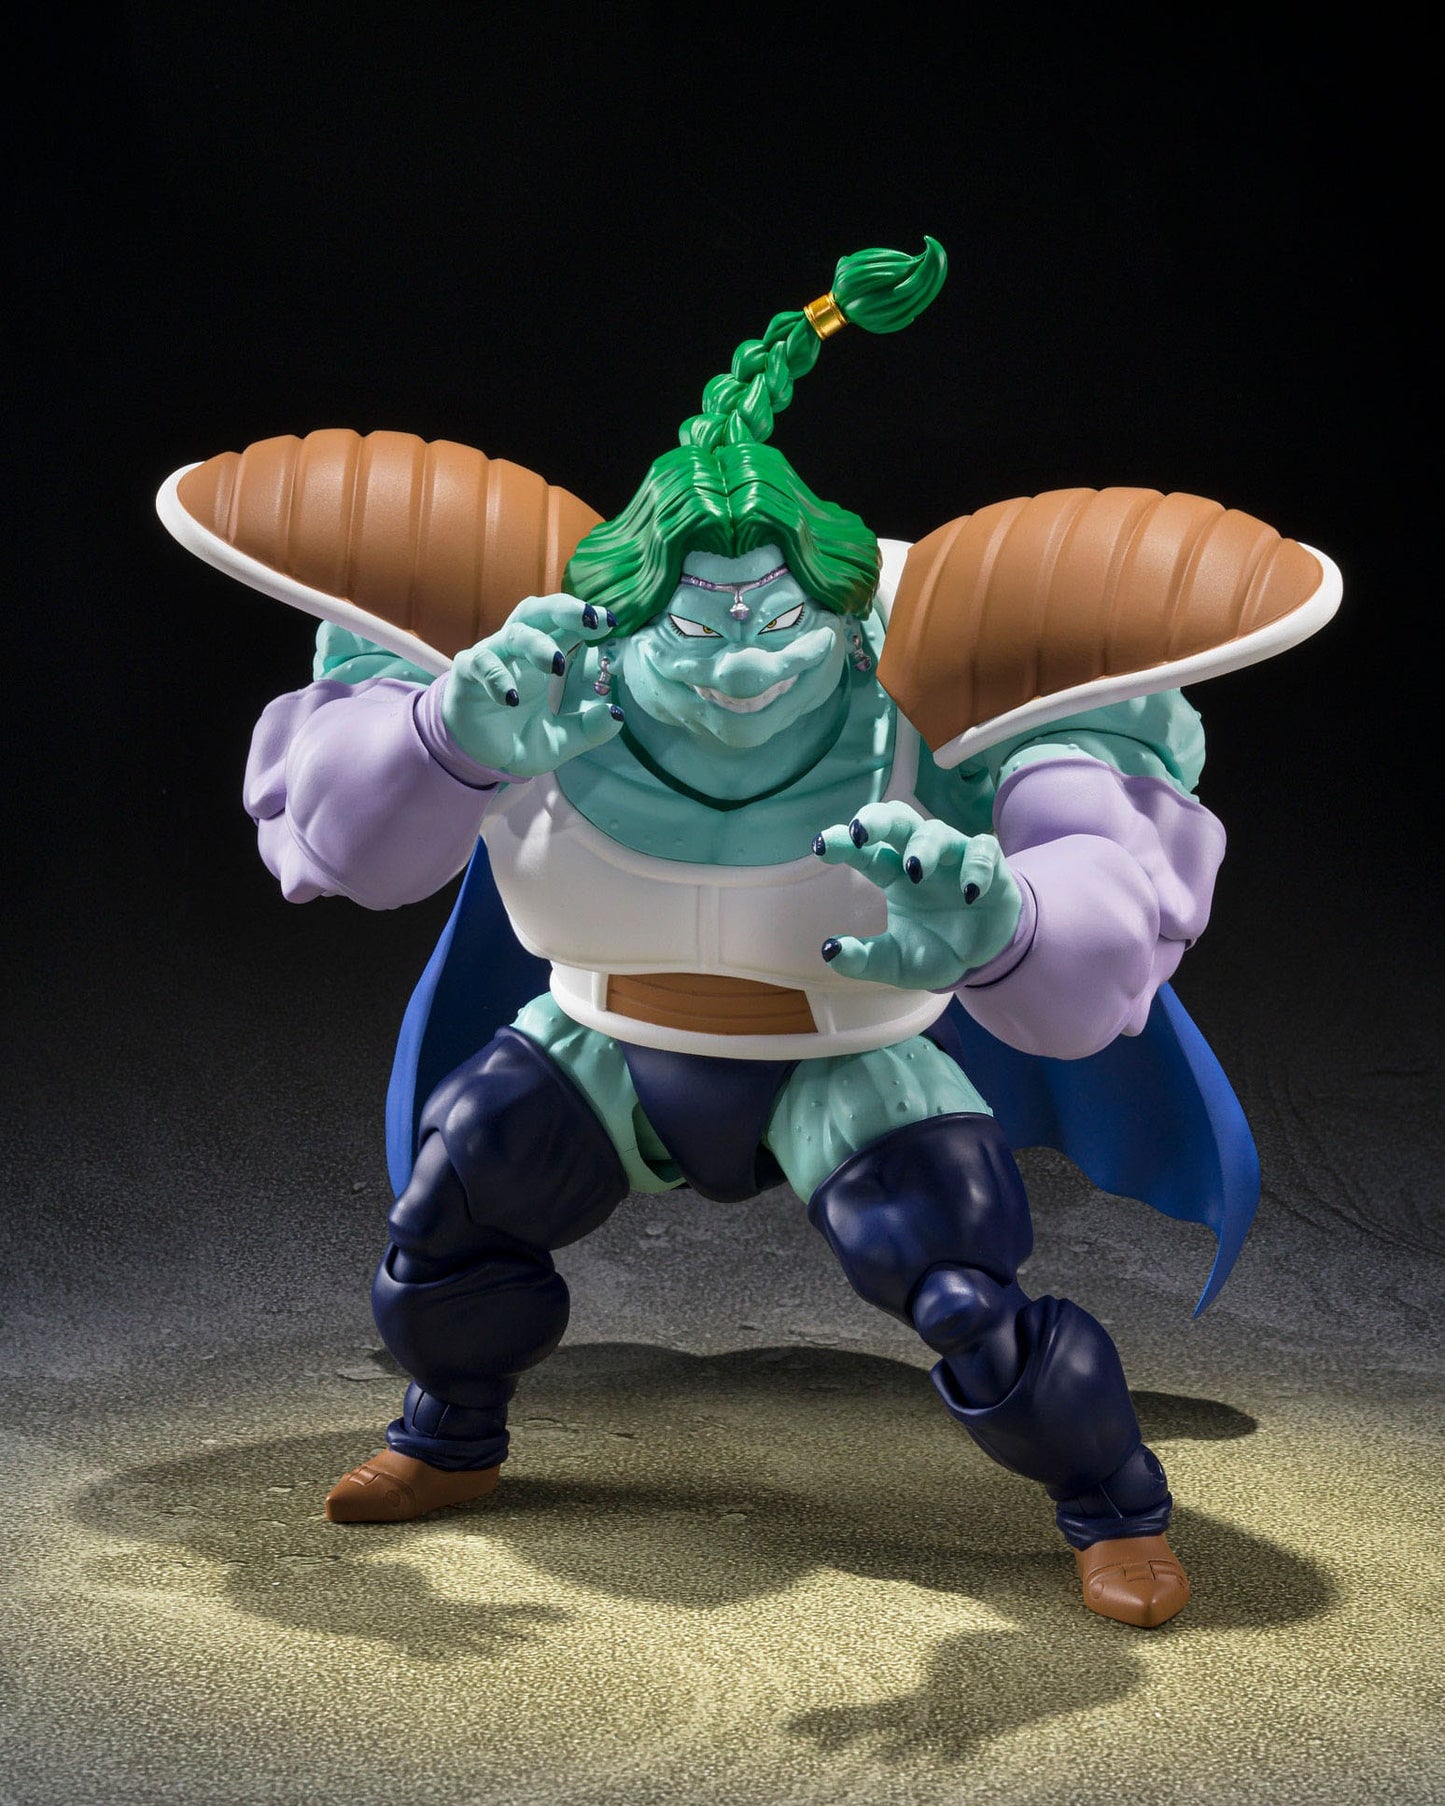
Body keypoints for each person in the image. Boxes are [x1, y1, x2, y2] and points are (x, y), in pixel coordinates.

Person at [210, 240, 1325, 1628]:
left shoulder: (931, 681)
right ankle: (450, 1429)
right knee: (449, 1209)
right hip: (604, 1032)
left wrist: (1005, 919)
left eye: (778, 612)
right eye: (696, 621)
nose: (740, 656)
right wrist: (446, 736)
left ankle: (1113, 1503)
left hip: (845, 1053)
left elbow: (1107, 920)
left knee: (960, 1286)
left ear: (845, 613)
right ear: (627, 616)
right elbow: (341, 851)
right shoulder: (537, 668)